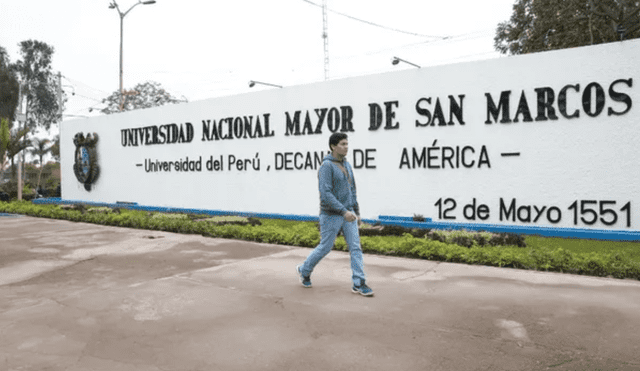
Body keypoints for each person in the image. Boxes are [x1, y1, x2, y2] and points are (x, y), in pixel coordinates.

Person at [296, 133, 373, 296]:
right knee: (325, 247)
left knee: (355, 247)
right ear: (333, 146)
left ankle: (359, 282)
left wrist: (356, 212)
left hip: (348, 214)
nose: (346, 147)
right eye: (343, 144)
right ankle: (304, 270)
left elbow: (352, 190)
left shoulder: (348, 165)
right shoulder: (326, 166)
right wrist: (343, 211)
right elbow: (326, 193)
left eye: (347, 144)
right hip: (331, 214)